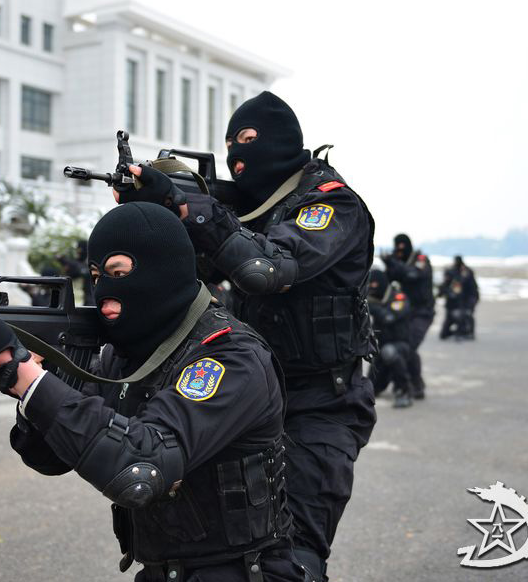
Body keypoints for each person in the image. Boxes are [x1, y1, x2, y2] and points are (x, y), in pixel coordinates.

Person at [0, 203, 300, 581]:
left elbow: (139, 470)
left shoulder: (229, 355)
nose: (103, 289)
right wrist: (32, 374)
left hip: (243, 572)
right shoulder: (126, 354)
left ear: (163, 270)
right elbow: (49, 457)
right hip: (163, 569)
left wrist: (18, 372)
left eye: (118, 272)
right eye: (95, 275)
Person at [120, 91, 377, 582]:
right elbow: (189, 274)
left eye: (249, 140)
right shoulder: (243, 210)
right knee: (223, 553)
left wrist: (187, 206)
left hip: (322, 405)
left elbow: (264, 268)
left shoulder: (331, 203)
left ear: (283, 143)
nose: (239, 154)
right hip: (249, 396)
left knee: (293, 558)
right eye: (230, 143)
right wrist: (155, 216)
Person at [382, 234, 435, 398]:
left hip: (422, 313)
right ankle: (412, 383)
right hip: (404, 313)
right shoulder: (398, 262)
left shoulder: (421, 259)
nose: (399, 251)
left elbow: (414, 275)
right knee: (405, 347)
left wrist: (394, 264)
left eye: (402, 247)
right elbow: (389, 281)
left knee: (409, 346)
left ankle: (414, 384)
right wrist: (389, 266)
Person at [367, 270, 414, 408]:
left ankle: (404, 391)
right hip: (381, 349)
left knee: (389, 351)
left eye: (375, 283)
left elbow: (390, 317)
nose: (373, 286)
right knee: (370, 389)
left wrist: (373, 308)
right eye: (370, 284)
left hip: (401, 346)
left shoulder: (398, 297)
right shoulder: (372, 299)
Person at [438, 256, 479, 340]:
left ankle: (467, 332)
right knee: (444, 333)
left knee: (466, 315)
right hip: (452, 304)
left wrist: (470, 303)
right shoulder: (451, 272)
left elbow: (472, 290)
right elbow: (444, 287)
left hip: (466, 301)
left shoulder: (467, 273)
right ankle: (458, 332)